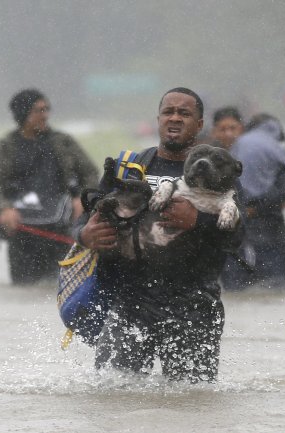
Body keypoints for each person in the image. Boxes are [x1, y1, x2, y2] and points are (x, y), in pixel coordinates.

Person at [76, 87, 244, 382]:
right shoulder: (129, 167)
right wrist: (84, 235)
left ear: (200, 124)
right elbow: (81, 221)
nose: (175, 118)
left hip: (195, 305)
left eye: (184, 113)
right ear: (158, 119)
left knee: (193, 403)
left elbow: (240, 238)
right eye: (169, 112)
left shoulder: (221, 173)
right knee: (111, 398)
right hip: (130, 302)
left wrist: (198, 220)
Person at [0, 88, 99, 285]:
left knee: (64, 284)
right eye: (39, 110)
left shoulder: (63, 142)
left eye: (47, 109)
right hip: (22, 232)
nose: (45, 115)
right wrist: (3, 208)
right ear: (23, 113)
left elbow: (90, 173)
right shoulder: (6, 147)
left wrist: (83, 199)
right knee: (23, 288)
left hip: (62, 228)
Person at [223, 113, 285, 290]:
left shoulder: (239, 144)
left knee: (241, 270)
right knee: (275, 274)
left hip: (240, 212)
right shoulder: (275, 148)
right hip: (265, 214)